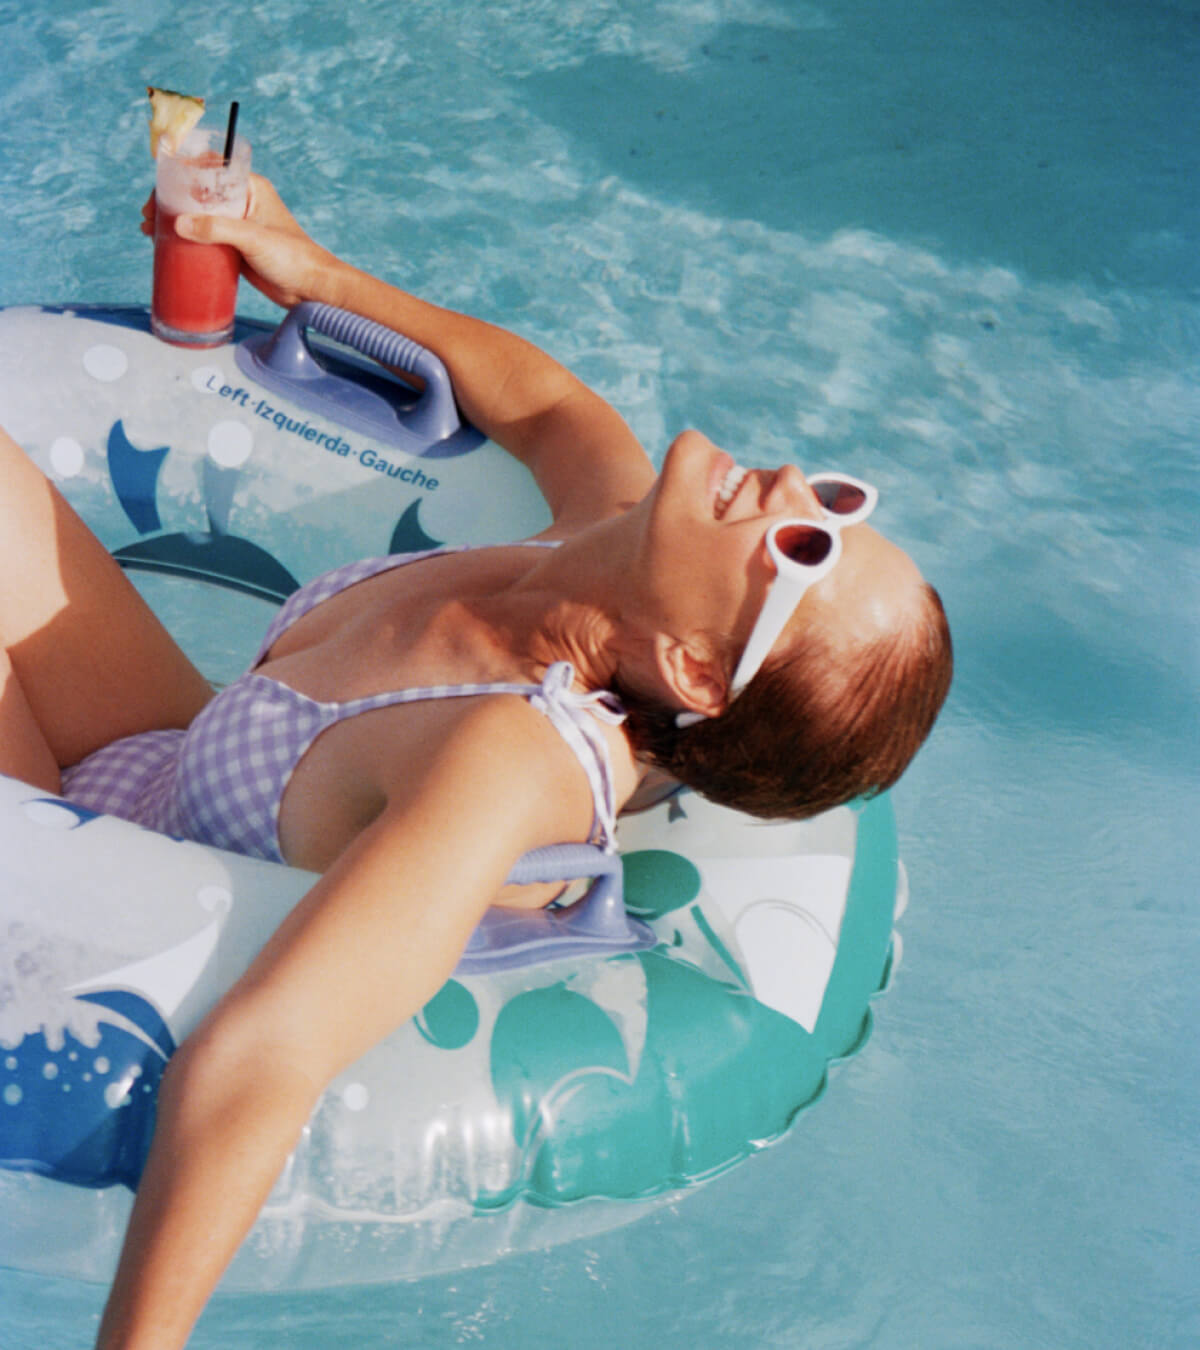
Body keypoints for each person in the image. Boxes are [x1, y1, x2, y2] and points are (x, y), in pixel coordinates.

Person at [0, 175, 951, 1349]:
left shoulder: (511, 754)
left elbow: (272, 1050)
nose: (796, 493)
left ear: (702, 678)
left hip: (77, 900)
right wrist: (309, 269)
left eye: (803, 550)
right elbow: (551, 405)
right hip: (149, 759)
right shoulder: (595, 549)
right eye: (841, 508)